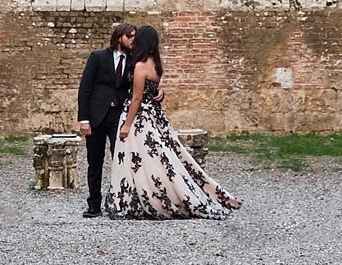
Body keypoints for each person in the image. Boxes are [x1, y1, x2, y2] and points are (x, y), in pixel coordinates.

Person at [103, 24, 241, 219]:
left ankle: (141, 198)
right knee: (162, 157)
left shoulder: (141, 66)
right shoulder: (156, 65)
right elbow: (153, 88)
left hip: (139, 117)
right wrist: (160, 92)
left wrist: (126, 124)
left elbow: (136, 98)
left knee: (137, 158)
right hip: (154, 115)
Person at [76, 21, 137, 218]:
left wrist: (159, 92)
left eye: (135, 37)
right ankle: (94, 204)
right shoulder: (98, 57)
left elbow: (142, 85)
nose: (133, 40)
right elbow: (85, 88)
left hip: (117, 115)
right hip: (96, 116)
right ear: (120, 37)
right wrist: (84, 119)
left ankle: (118, 201)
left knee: (119, 158)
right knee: (95, 161)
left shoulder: (134, 61)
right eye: (130, 36)